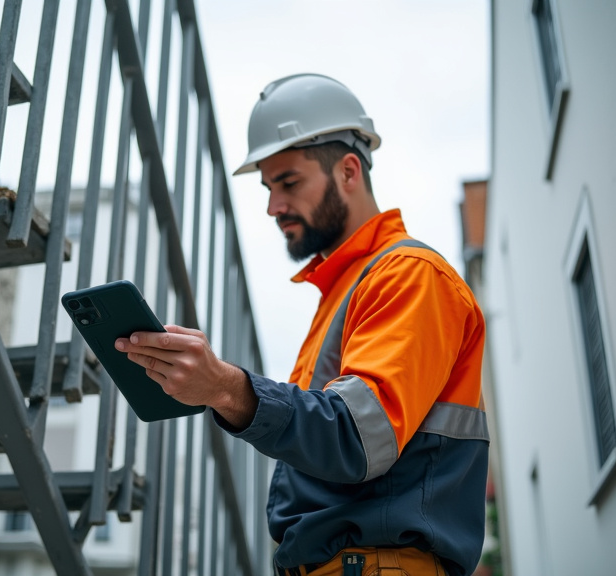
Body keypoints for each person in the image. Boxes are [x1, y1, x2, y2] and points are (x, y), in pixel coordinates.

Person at [115, 74, 489, 576]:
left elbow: (357, 438)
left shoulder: (409, 275)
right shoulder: (345, 290)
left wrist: (228, 389)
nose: (273, 207)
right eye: (269, 188)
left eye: (288, 183)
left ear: (349, 171)